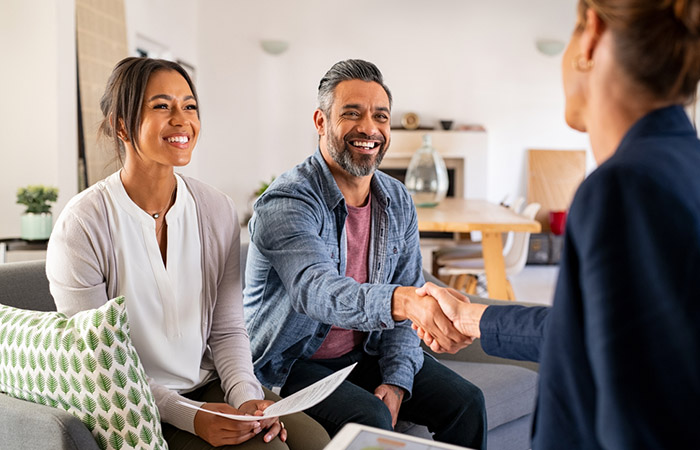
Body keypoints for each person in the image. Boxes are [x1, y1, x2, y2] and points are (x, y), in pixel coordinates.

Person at [414, 0, 700, 448]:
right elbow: (588, 337)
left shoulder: (625, 187)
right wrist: (470, 317)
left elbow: (638, 420)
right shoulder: (681, 165)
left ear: (592, 33)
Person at [46, 57, 329, 450]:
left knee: (318, 442)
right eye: (162, 106)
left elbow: (228, 329)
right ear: (122, 125)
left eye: (190, 106)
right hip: (133, 405)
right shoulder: (82, 224)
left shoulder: (216, 209)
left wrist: (246, 398)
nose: (182, 119)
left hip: (206, 386)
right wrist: (191, 417)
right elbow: (101, 365)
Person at [243, 59, 486, 449]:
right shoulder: (287, 202)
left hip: (363, 352)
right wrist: (404, 300)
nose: (369, 129)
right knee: (368, 417)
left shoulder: (397, 200)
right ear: (321, 122)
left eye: (380, 117)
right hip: (290, 364)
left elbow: (407, 301)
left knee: (467, 403)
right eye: (351, 114)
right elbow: (316, 291)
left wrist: (395, 380)